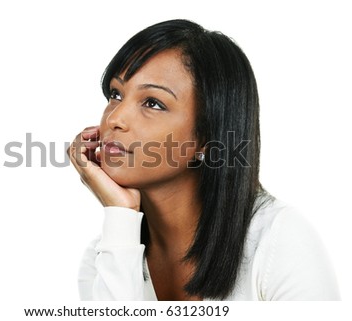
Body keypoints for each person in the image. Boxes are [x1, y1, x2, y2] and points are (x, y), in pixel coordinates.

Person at [67, 19, 340, 300]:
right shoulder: (108, 253)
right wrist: (120, 214)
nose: (114, 119)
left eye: (153, 103)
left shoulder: (280, 242)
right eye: (116, 94)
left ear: (209, 140)